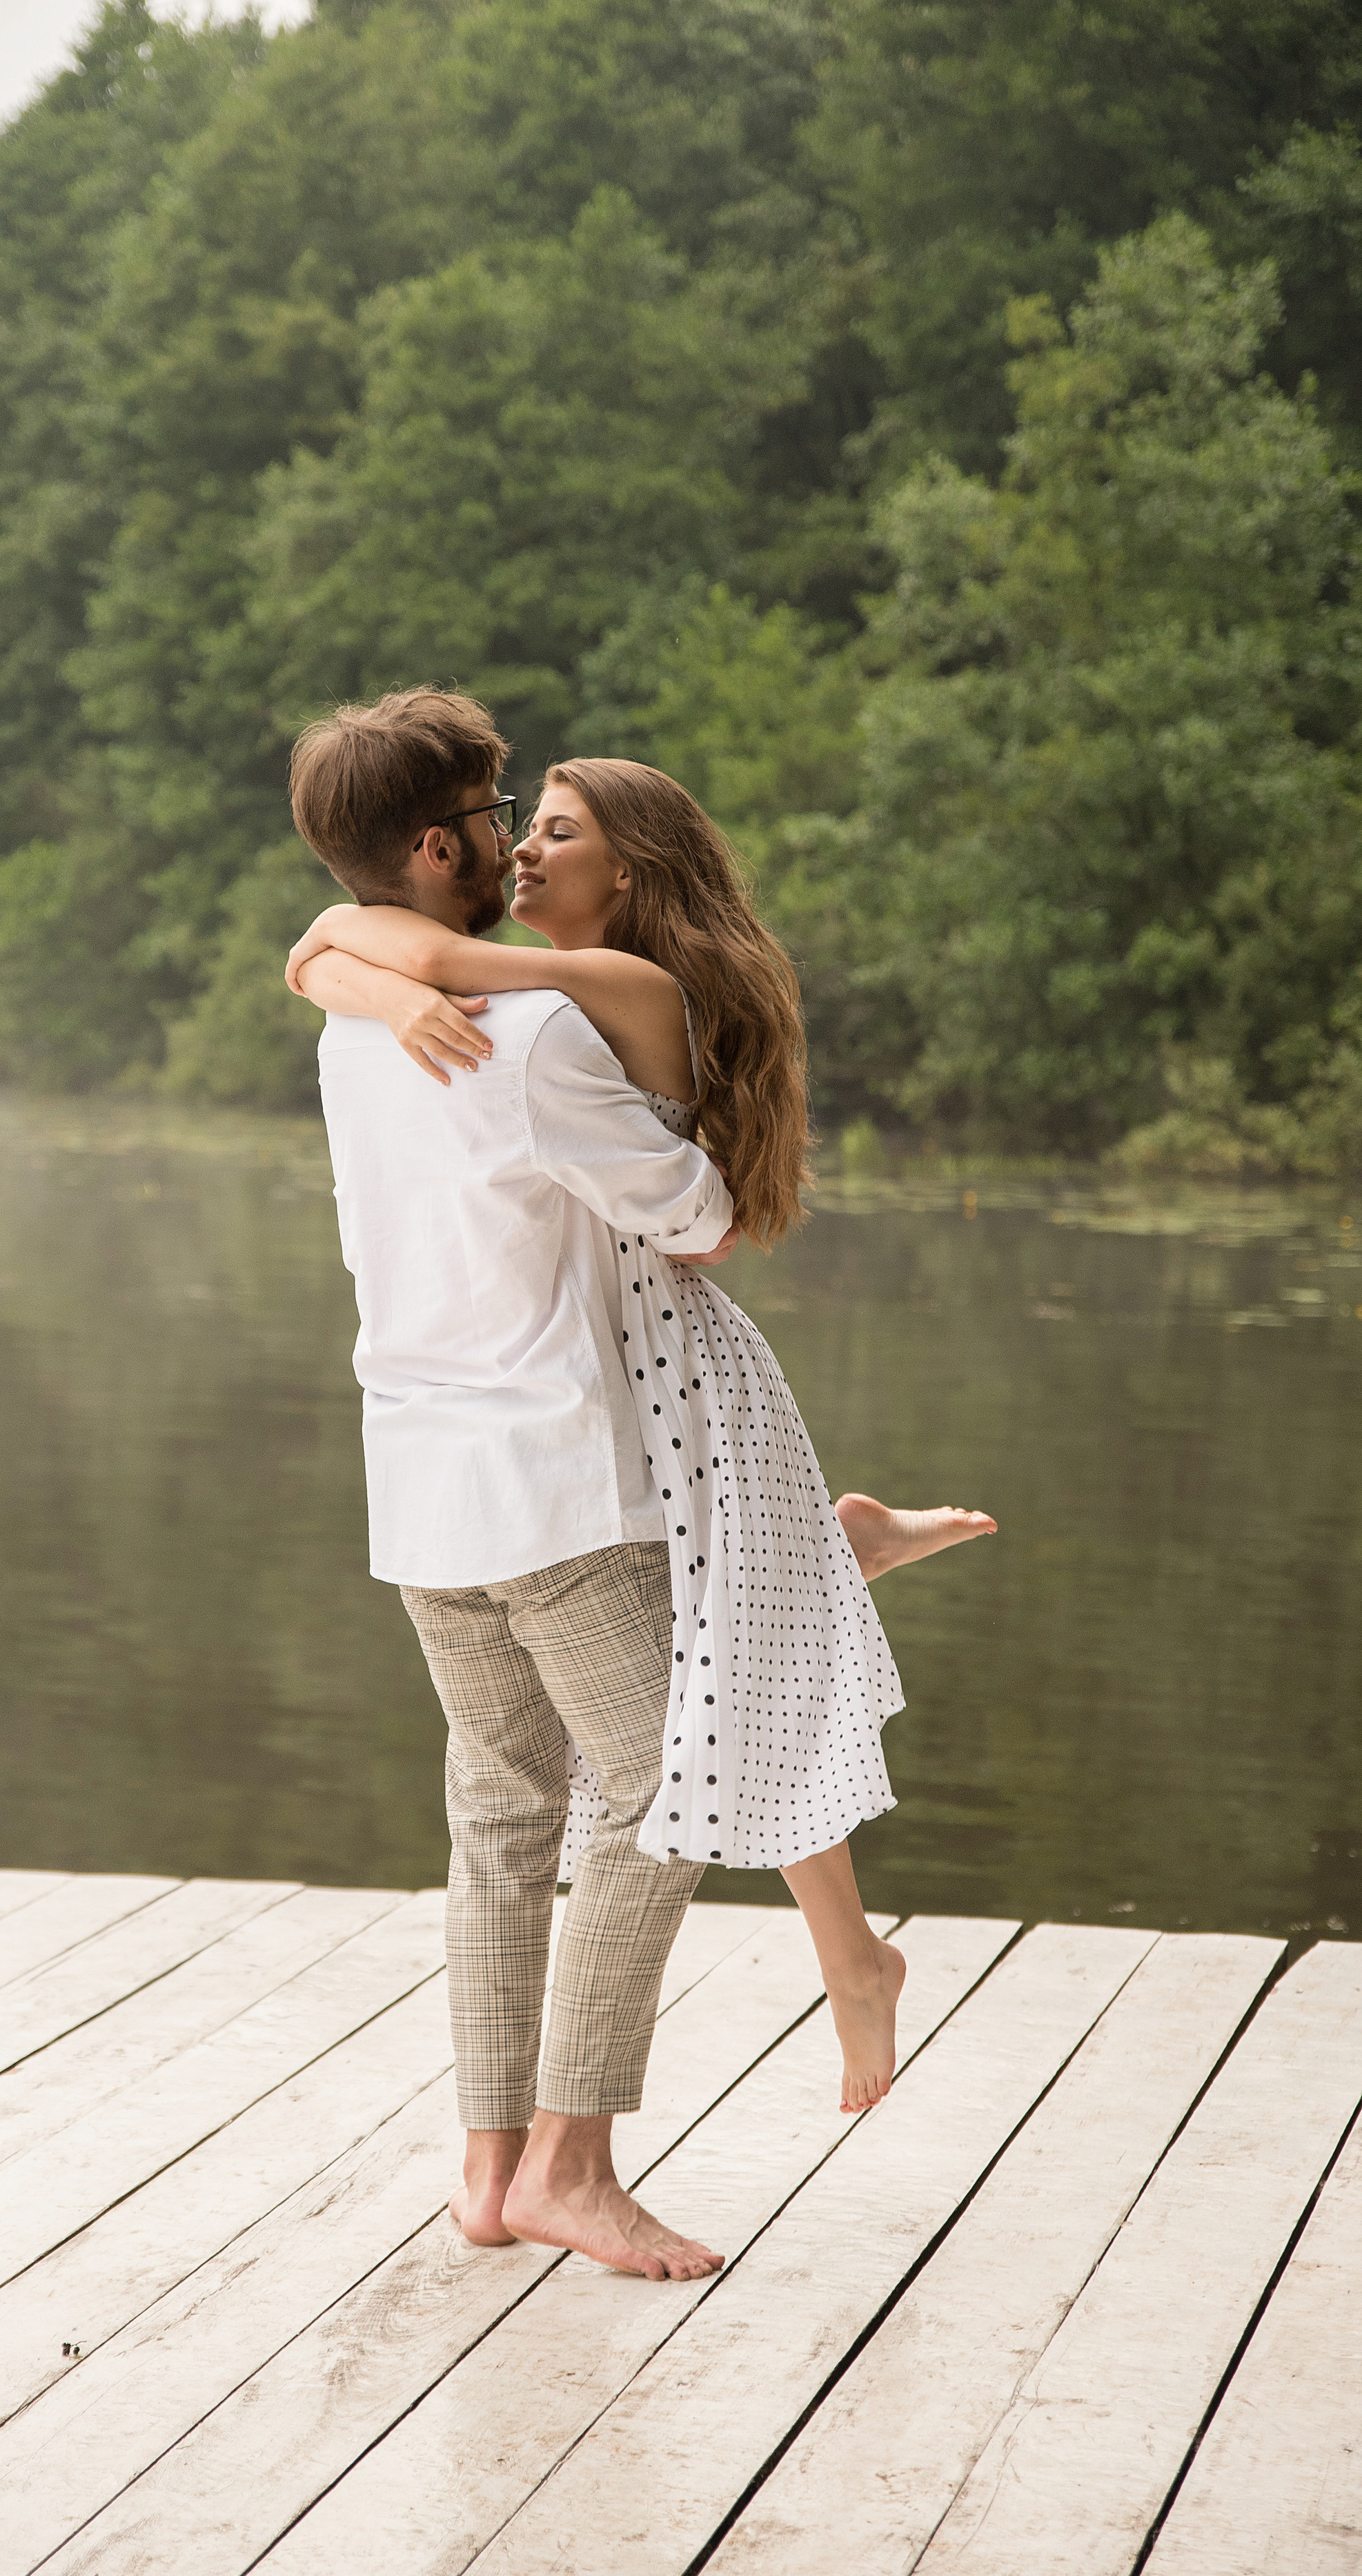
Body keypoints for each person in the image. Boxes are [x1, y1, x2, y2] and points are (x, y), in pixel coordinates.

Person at [288, 725, 998, 2168]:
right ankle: (570, 2164)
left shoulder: (380, 1020)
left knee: (508, 1814)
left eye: (548, 827)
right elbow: (700, 1222)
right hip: (559, 1454)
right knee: (655, 1788)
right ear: (444, 850)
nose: (521, 841)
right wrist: (367, 958)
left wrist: (360, 967)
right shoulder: (514, 1024)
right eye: (505, 820)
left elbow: (331, 939)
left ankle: (500, 2171)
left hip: (469, 1454)